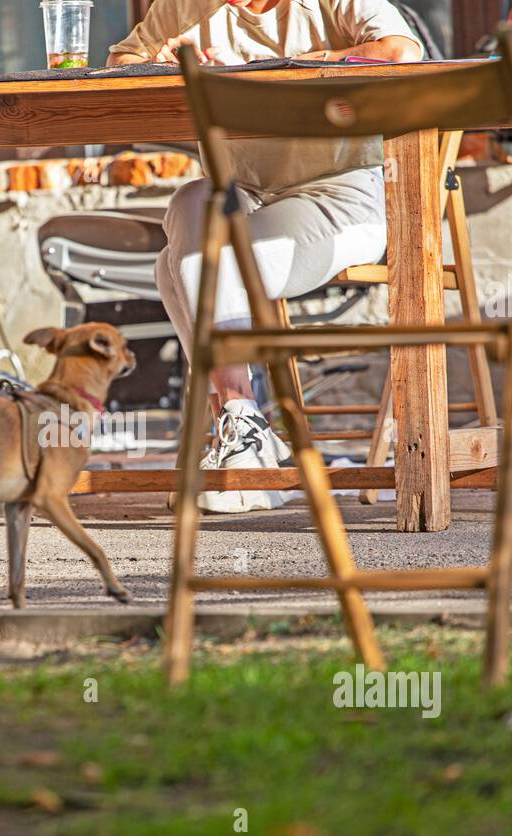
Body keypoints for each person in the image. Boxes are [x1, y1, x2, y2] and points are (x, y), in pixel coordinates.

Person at [109, 0, 421, 513]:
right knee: (190, 203)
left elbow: (401, 53)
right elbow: (122, 63)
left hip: (342, 193)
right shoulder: (187, 6)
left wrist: (277, 71)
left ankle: (243, 434)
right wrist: (164, 68)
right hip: (248, 192)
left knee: (178, 269)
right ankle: (244, 419)